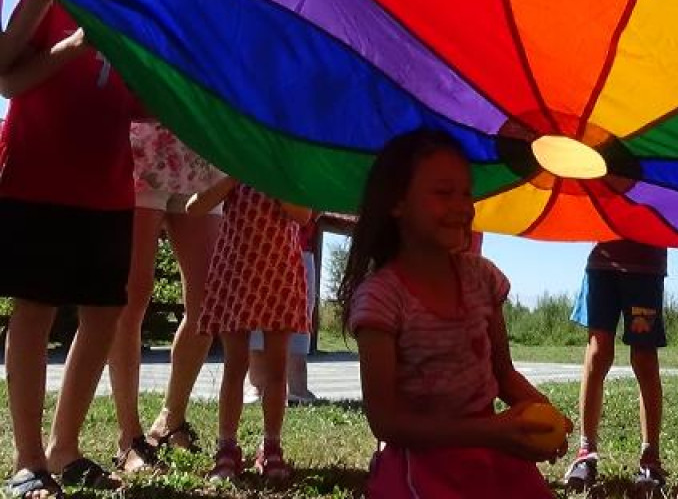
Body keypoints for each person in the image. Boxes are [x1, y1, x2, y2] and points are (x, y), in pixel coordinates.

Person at [338, 128, 570, 498]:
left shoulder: (483, 279)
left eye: (466, 193)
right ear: (397, 203)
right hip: (424, 468)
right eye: (444, 193)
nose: (462, 207)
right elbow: (385, 422)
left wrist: (546, 415)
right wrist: (491, 432)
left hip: (495, 459)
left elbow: (503, 373)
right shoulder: (381, 299)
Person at [0, 0, 135, 498]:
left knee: (104, 312)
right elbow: (8, 79)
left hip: (109, 182)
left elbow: (144, 98)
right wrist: (75, 41)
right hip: (39, 175)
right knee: (35, 307)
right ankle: (28, 460)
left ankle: (64, 448)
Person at [107, 122, 224, 471]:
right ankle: (129, 436)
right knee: (133, 294)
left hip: (201, 148)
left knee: (208, 301)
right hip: (143, 145)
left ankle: (171, 420)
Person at [189, 177, 311, 482]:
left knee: (277, 368)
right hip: (238, 270)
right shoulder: (233, 166)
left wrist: (271, 176)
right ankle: (227, 447)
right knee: (235, 365)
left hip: (279, 271)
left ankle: (271, 446)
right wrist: (233, 174)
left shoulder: (283, 168)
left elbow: (303, 215)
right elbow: (194, 206)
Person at [563, 239, 668, 491]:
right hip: (603, 261)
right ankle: (585, 451)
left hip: (646, 265)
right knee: (598, 352)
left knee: (644, 357)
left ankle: (650, 456)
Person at [247, 214, 321, 406]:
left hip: (301, 245)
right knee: (258, 308)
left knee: (301, 311)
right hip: (260, 242)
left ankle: (297, 386)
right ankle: (257, 384)